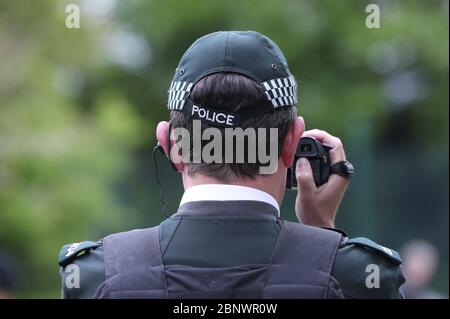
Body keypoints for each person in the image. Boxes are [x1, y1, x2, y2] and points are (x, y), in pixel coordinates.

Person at [58, 31, 405, 299]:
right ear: (291, 144)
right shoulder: (360, 275)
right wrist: (322, 235)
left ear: (169, 144)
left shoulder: (96, 275)